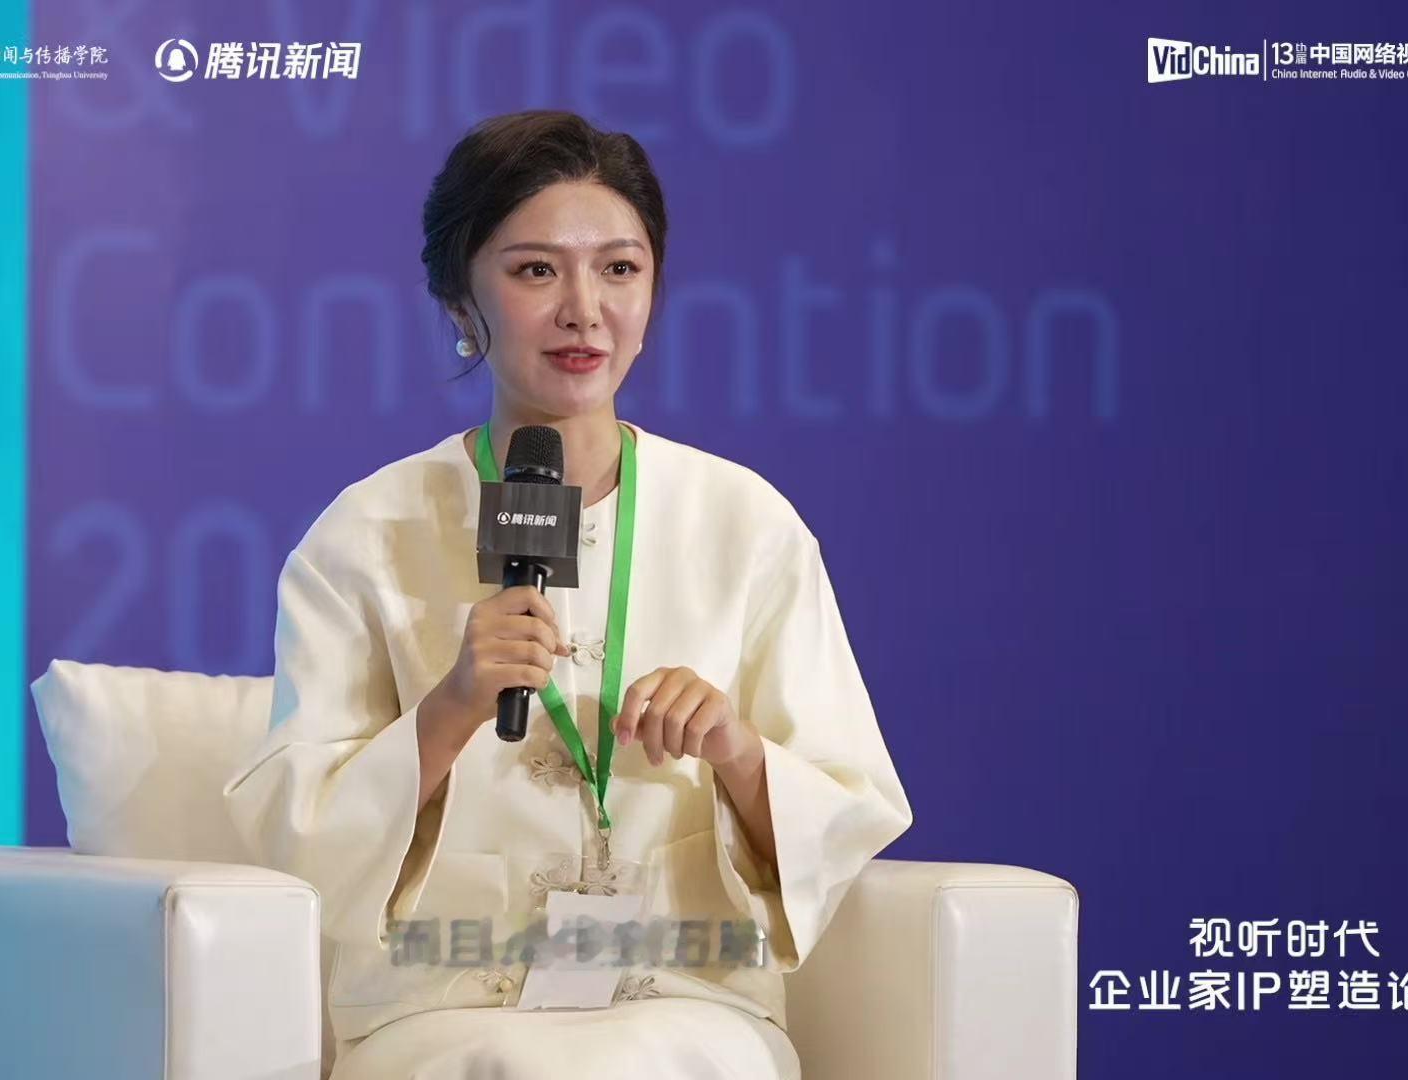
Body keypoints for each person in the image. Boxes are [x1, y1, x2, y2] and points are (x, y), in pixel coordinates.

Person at [224, 110, 913, 1079]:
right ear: (460, 298)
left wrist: (732, 746)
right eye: (537, 270)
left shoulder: (745, 522)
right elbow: (297, 842)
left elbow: (849, 811)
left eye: (619, 269)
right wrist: (451, 706)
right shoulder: (366, 533)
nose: (585, 310)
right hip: (445, 1006)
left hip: (686, 996)